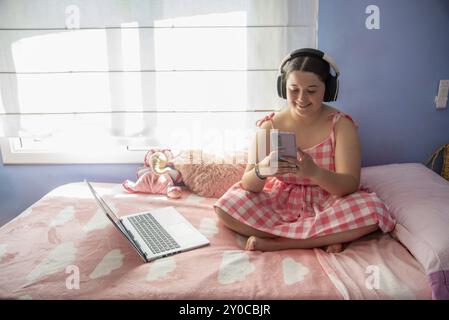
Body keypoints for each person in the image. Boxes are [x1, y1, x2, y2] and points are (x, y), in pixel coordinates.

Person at [214, 48, 395, 252]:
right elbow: (248, 184)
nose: (301, 98)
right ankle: (324, 236)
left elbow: (350, 185)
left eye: (311, 90)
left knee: (372, 211)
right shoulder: (270, 125)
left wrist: (314, 172)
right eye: (294, 90)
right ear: (283, 88)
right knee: (226, 207)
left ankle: (279, 243)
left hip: (329, 199)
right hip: (281, 202)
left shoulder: (341, 125)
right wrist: (263, 169)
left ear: (327, 89)